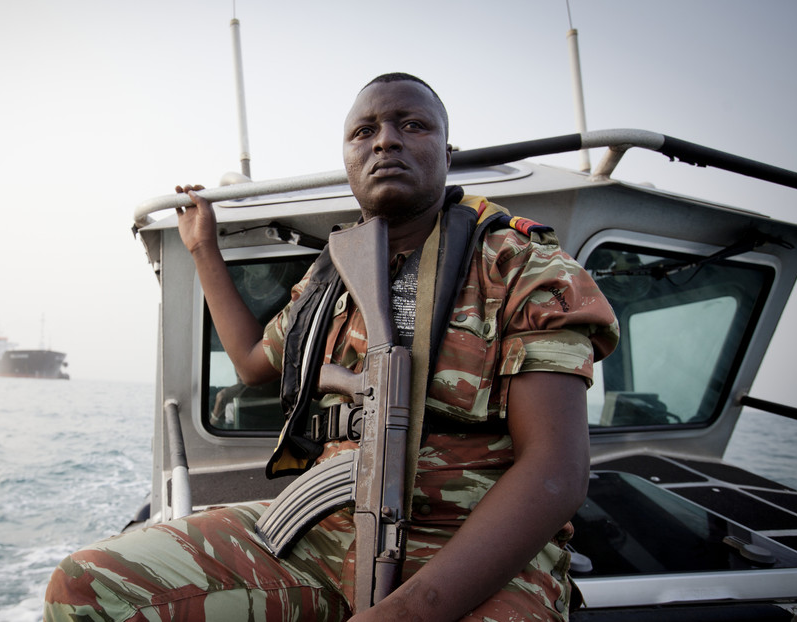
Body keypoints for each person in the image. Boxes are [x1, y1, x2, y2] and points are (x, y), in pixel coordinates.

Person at [44, 73, 619, 622]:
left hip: (474, 543)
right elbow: (250, 363)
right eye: (364, 131)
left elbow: (554, 472)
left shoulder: (526, 268)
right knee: (84, 588)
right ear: (348, 159)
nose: (386, 140)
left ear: (448, 154)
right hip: (325, 525)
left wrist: (404, 612)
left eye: (412, 125)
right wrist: (202, 251)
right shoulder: (332, 278)